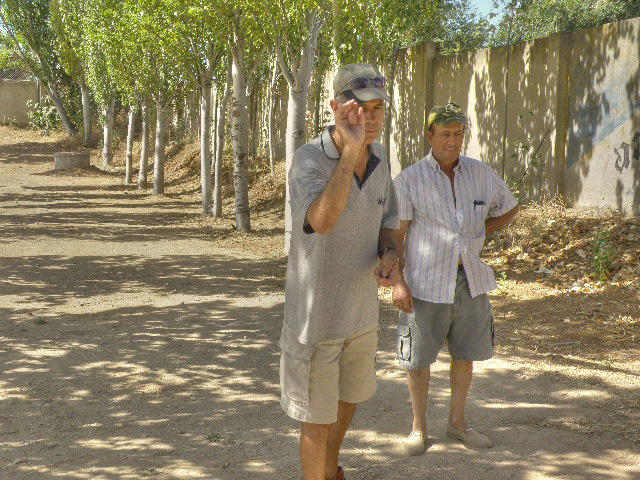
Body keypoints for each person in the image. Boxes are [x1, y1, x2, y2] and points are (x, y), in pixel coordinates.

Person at [279, 63, 400, 480]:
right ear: (335, 108)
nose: (370, 118)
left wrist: (389, 255)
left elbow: (390, 221)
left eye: (379, 109)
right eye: (361, 108)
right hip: (316, 320)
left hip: (360, 315)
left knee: (349, 400)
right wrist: (349, 153)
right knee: (316, 418)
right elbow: (323, 221)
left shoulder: (382, 159)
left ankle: (328, 471)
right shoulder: (309, 160)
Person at [391, 102, 520, 456]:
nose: (453, 141)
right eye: (445, 134)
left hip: (470, 280)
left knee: (465, 355)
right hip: (425, 283)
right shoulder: (409, 180)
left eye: (458, 134)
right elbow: (396, 235)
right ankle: (418, 429)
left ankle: (458, 424)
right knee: (418, 359)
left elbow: (510, 206)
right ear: (430, 136)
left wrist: (479, 232)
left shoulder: (480, 174)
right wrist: (398, 282)